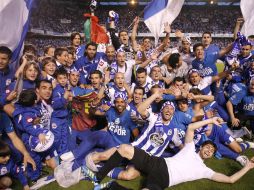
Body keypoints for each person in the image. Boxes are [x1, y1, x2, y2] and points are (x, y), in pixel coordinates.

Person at [83, 117, 254, 190]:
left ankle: (112, 187)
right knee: (124, 148)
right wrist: (211, 120)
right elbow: (191, 127)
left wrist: (248, 166)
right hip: (158, 163)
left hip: (164, 180)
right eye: (207, 147)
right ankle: (99, 177)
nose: (209, 150)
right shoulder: (189, 148)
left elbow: (230, 180)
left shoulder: (206, 171)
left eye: (211, 151)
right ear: (201, 148)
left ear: (210, 156)